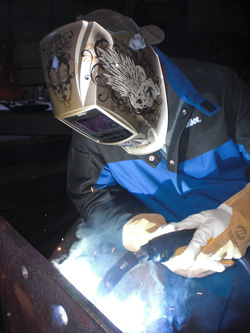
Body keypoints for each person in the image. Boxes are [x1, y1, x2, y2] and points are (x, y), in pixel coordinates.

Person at [40, 9, 250, 331]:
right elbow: (89, 194)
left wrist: (239, 216)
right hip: (177, 269)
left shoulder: (222, 89)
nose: (105, 136)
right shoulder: (91, 127)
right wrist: (137, 230)